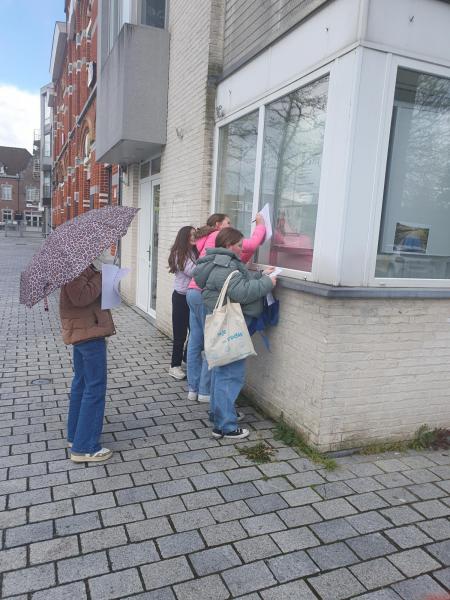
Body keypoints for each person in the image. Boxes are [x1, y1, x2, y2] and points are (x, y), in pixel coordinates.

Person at [193, 227, 276, 439]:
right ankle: (225, 426)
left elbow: (238, 281)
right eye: (240, 245)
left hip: (222, 324)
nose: (242, 248)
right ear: (229, 246)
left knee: (221, 371)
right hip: (231, 326)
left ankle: (218, 413)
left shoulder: (217, 262)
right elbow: (242, 291)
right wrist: (267, 282)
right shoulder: (226, 265)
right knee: (229, 374)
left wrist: (259, 275)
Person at [186, 213, 266, 403]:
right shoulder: (218, 237)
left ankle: (193, 388)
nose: (231, 225)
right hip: (208, 292)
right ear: (218, 225)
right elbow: (252, 245)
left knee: (196, 340)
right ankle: (206, 392)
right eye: (228, 223)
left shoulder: (203, 238)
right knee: (214, 341)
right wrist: (261, 226)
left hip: (193, 291)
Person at [59, 251, 115, 463]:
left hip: (84, 330)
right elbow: (80, 296)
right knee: (94, 387)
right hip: (88, 333)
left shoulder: (79, 264)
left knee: (82, 383)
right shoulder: (74, 267)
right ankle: (85, 447)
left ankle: (76, 437)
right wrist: (102, 275)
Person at [167, 225, 199, 380]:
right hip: (181, 298)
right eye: (191, 235)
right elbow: (192, 271)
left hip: (194, 297)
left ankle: (187, 357)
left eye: (195, 235)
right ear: (184, 237)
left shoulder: (195, 251)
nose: (194, 237)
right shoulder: (179, 253)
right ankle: (174, 366)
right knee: (180, 334)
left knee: (194, 330)